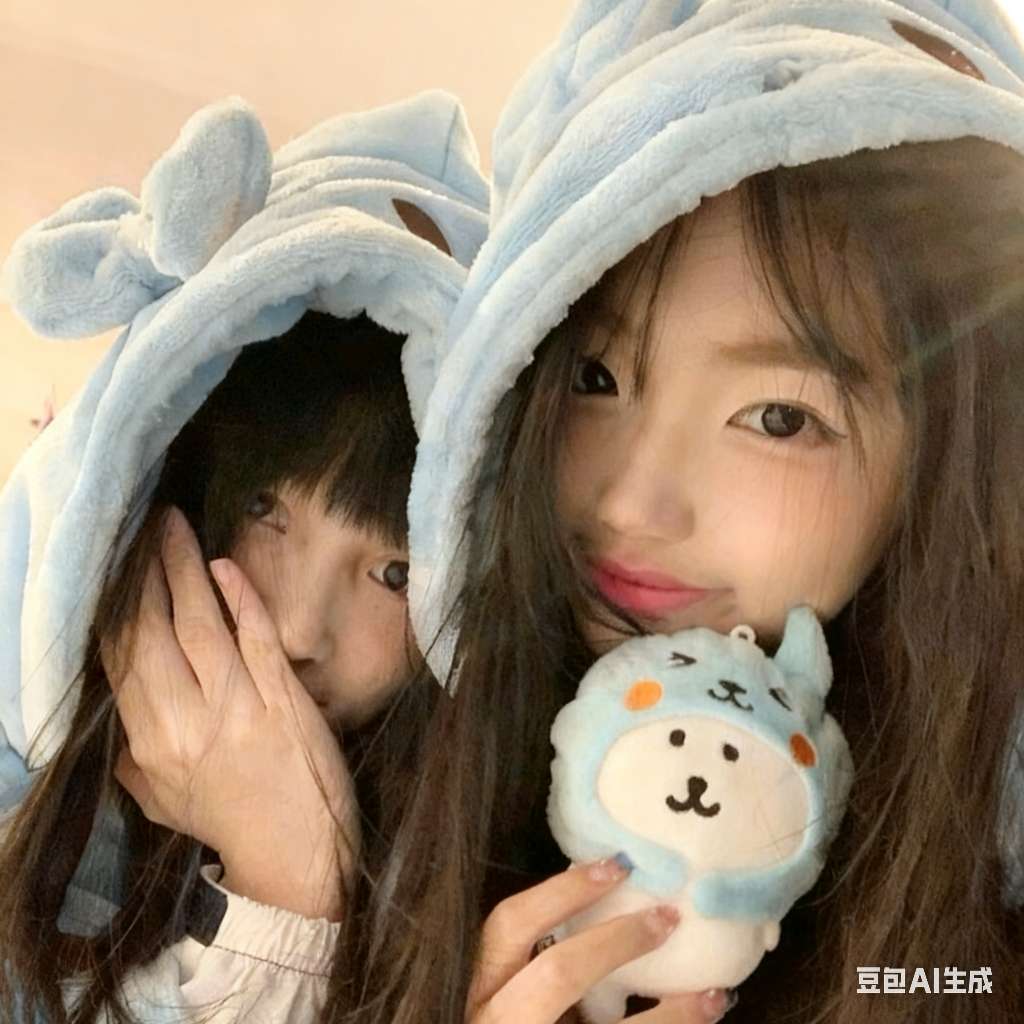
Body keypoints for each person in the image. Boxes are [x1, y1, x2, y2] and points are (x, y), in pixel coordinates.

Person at [394, 1, 1024, 1022]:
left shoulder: (979, 898)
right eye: (595, 377)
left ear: (941, 469)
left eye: (778, 417)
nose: (630, 504)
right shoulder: (383, 727)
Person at [0, 93, 487, 1022]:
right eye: (267, 512)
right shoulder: (34, 770)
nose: (298, 631)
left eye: (395, 574)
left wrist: (290, 893)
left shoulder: (470, 866)